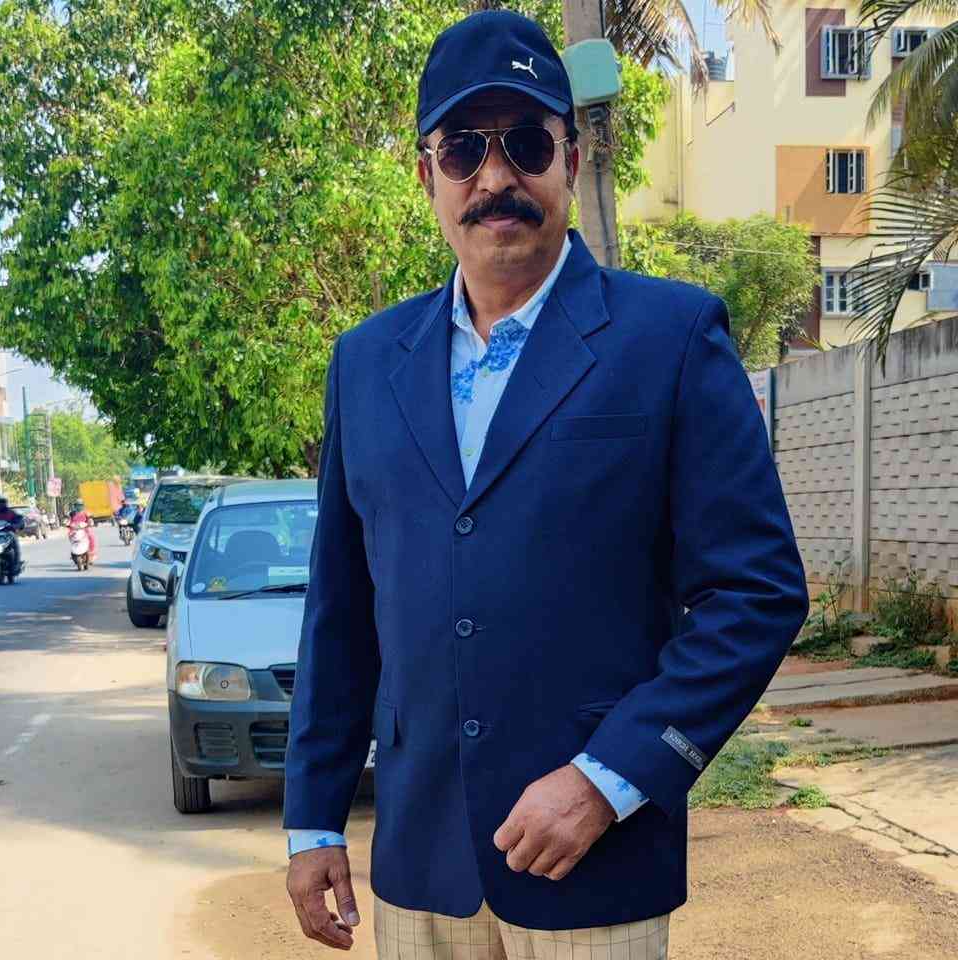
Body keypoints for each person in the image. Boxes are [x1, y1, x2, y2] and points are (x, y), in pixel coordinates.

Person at [284, 10, 808, 959]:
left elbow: (756, 594)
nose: (495, 178)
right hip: (421, 864)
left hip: (592, 867)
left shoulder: (670, 339)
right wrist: (314, 819)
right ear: (426, 175)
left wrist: (609, 778)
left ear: (570, 157)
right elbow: (341, 612)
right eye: (462, 149)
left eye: (525, 142)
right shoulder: (365, 364)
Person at [0, 496, 24, 572]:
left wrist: (17, 525)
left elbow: (19, 520)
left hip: (8, 533)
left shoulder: (11, 513)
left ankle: (16, 563)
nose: (0, 505)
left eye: (2, 502)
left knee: (14, 542)